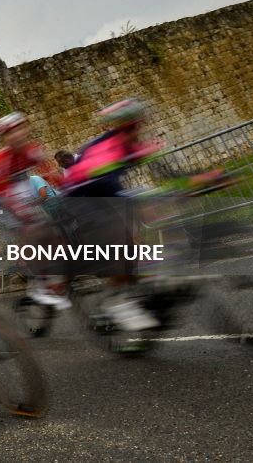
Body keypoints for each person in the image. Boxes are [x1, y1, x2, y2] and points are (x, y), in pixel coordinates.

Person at [63, 99, 165, 332]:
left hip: (106, 194)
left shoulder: (131, 145)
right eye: (128, 127)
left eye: (137, 126)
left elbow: (164, 170)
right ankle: (117, 302)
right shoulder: (103, 150)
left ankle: (135, 286)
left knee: (136, 244)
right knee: (119, 237)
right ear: (118, 128)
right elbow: (106, 188)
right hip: (82, 199)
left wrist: (204, 179)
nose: (135, 131)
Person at [0, 112, 69, 311]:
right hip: (3, 202)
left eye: (21, 129)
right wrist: (21, 212)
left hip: (26, 199)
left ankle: (50, 277)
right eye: (10, 133)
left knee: (56, 240)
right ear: (4, 138)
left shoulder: (32, 150)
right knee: (33, 232)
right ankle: (40, 285)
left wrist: (72, 189)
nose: (17, 135)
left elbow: (49, 174)